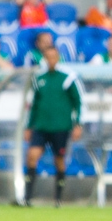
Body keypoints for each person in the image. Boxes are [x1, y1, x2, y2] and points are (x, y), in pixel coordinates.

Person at [23, 47, 82, 208]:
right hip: (41, 125)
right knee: (32, 156)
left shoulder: (67, 78)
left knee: (59, 160)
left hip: (60, 126)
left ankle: (58, 199)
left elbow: (78, 102)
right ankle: (27, 198)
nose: (51, 60)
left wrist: (78, 123)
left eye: (54, 57)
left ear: (58, 58)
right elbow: (34, 104)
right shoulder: (39, 78)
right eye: (48, 57)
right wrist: (29, 126)